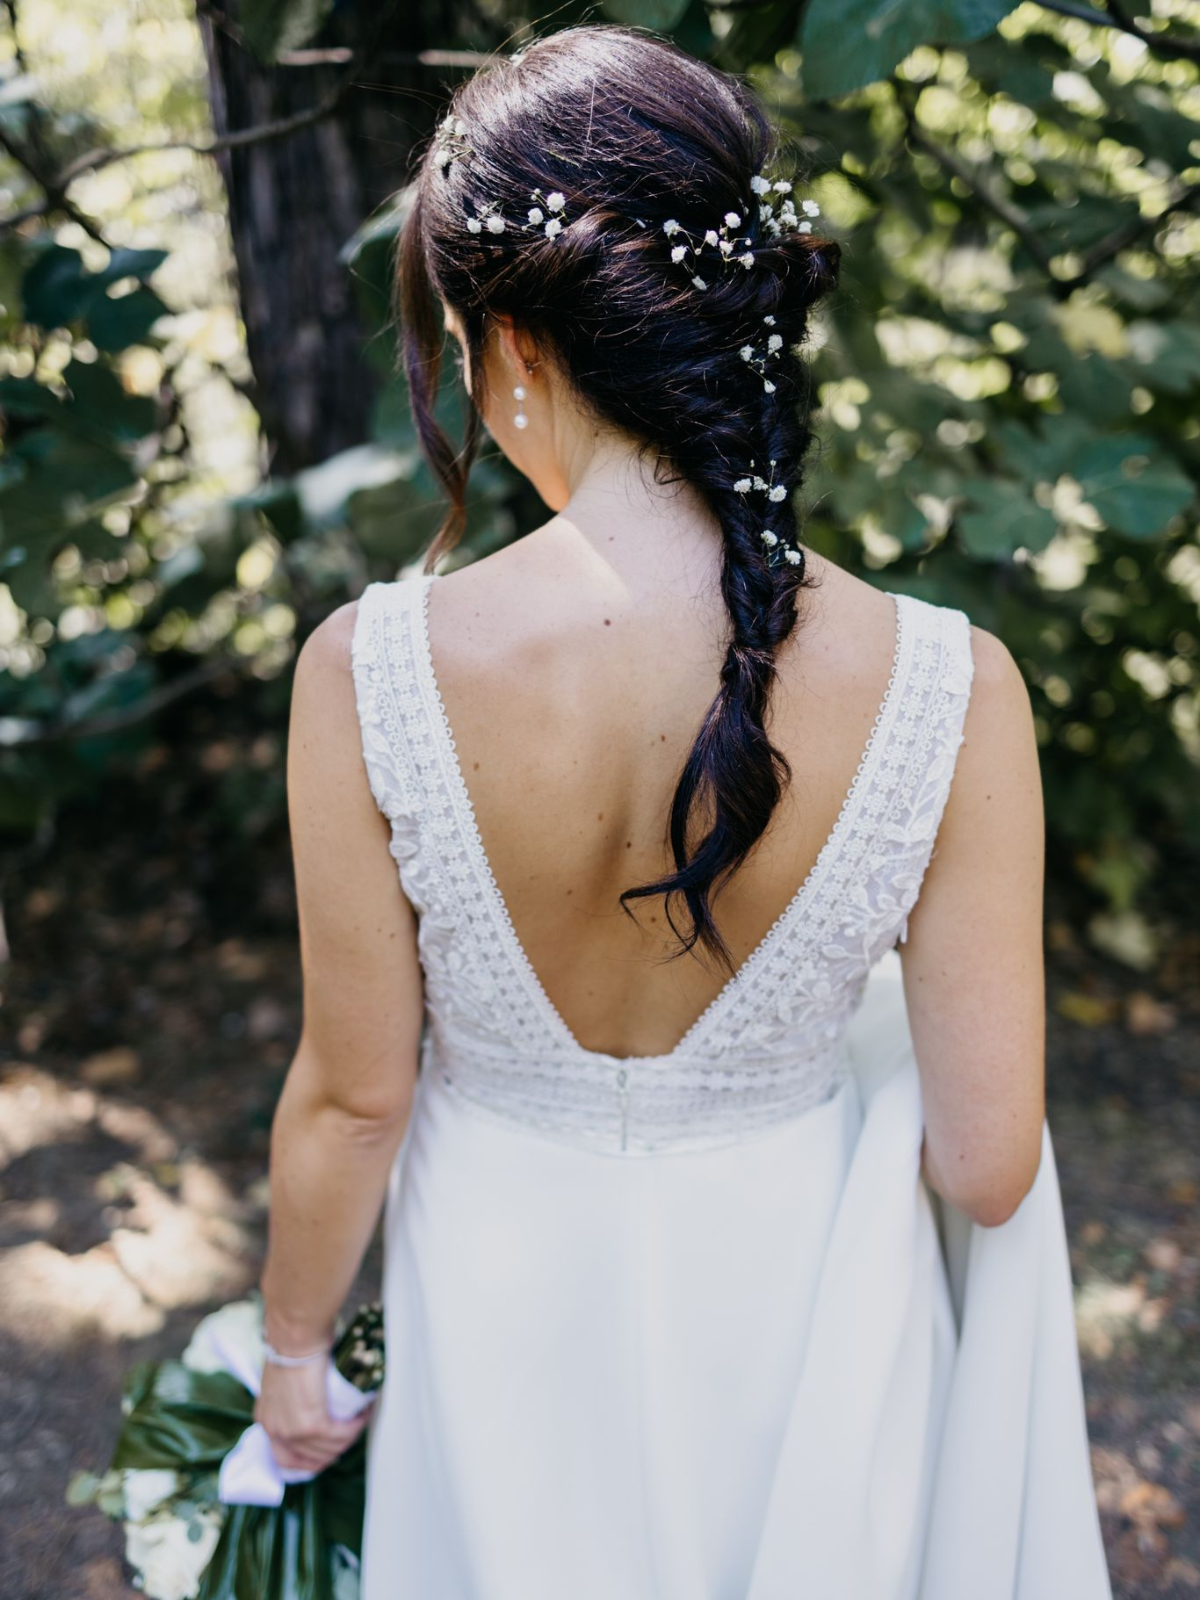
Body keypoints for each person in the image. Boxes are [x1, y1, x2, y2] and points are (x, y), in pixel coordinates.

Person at [253, 23, 1113, 1598]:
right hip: (800, 1319)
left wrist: (293, 1356)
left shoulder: (366, 670)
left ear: (514, 342)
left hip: (502, 1292)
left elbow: (354, 1099)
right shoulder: (953, 684)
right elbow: (990, 1164)